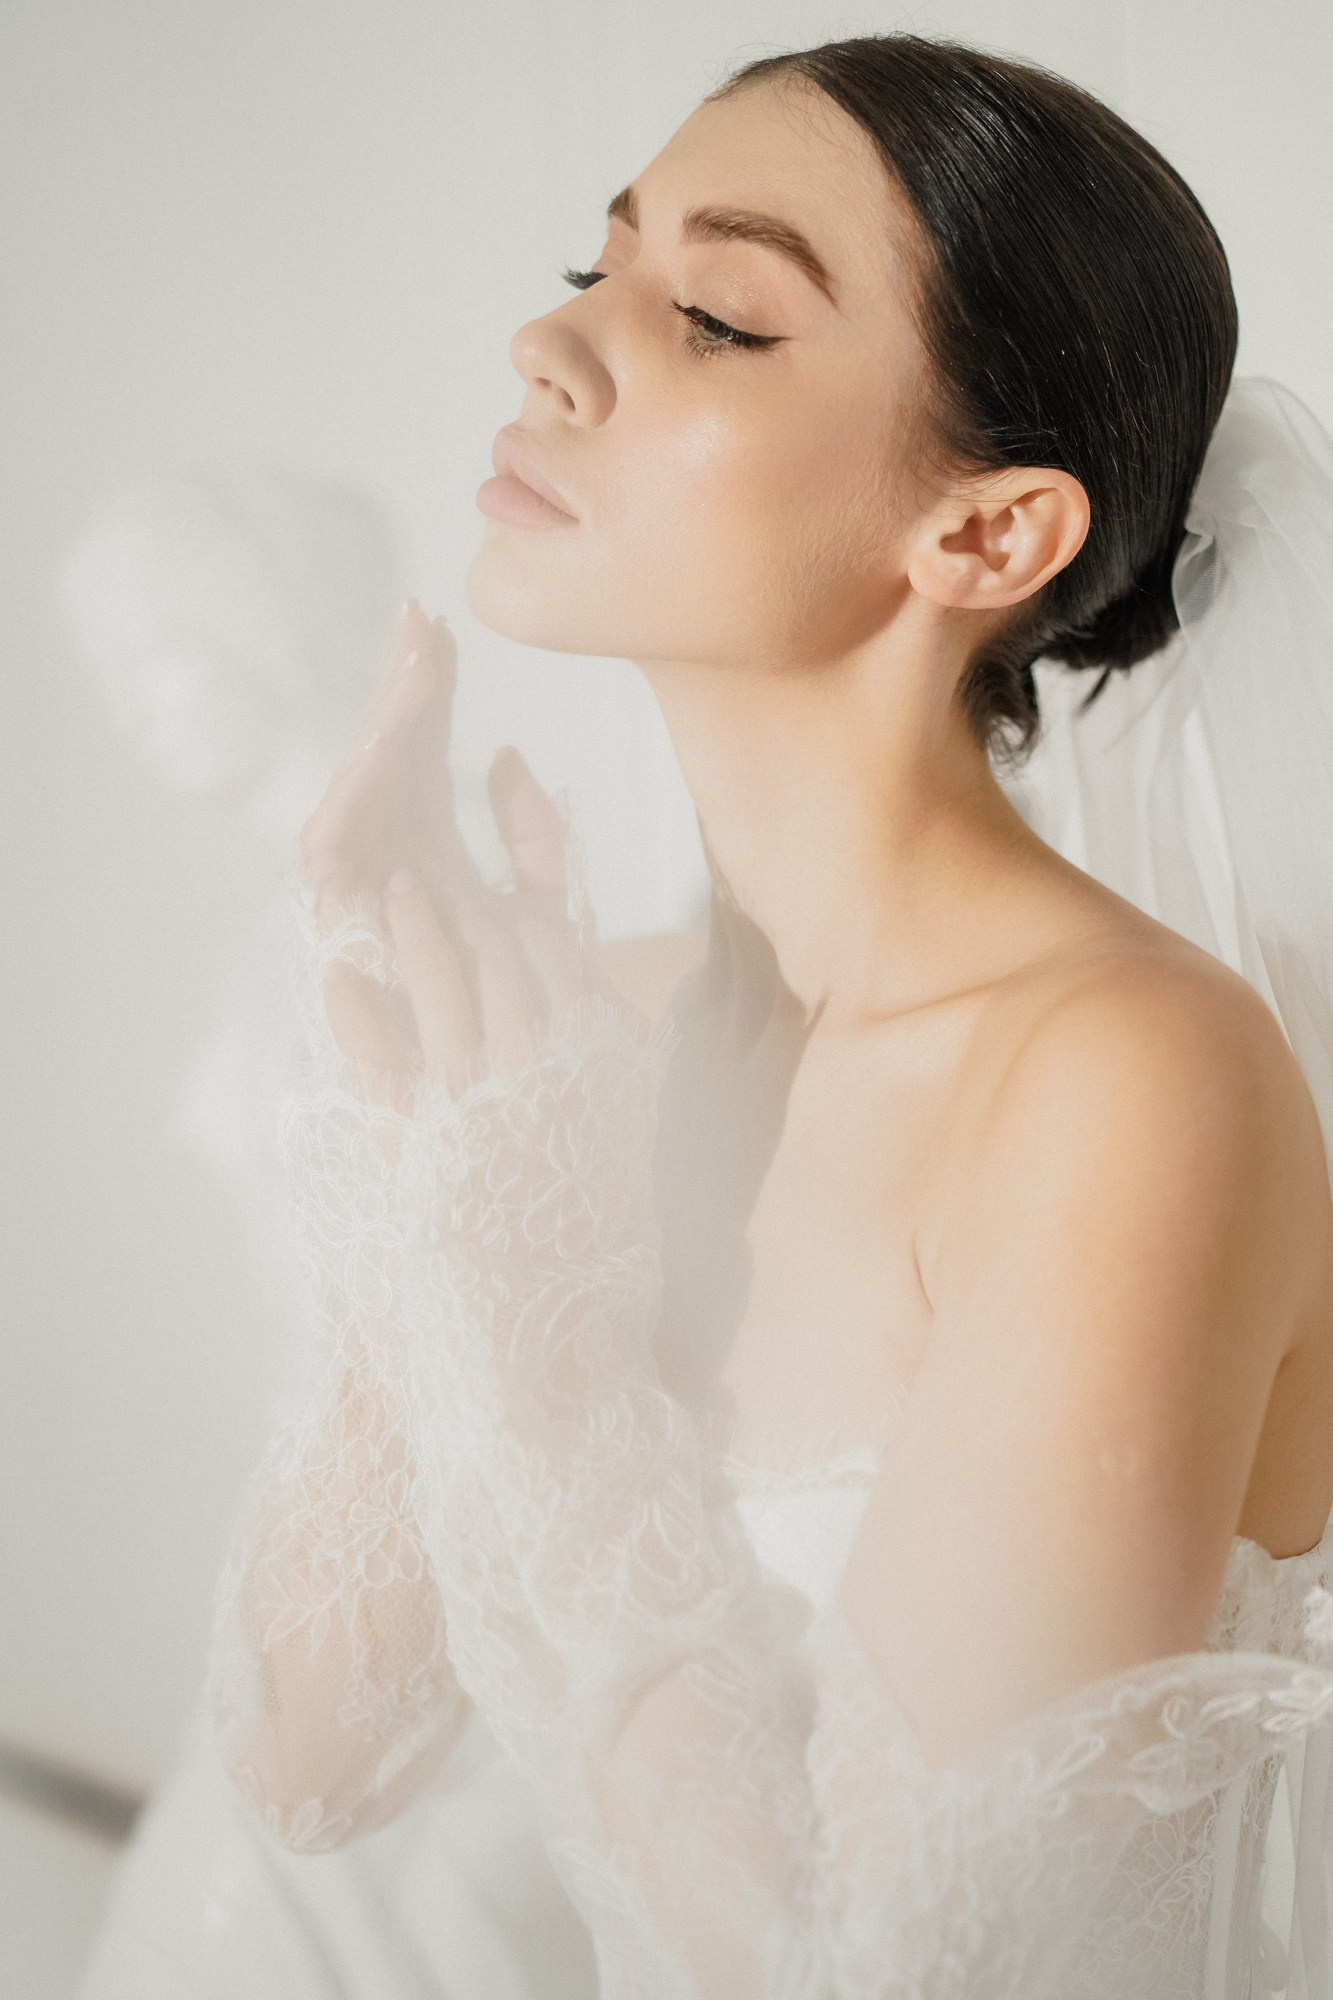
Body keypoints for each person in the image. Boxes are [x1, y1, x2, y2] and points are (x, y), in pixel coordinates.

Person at [190, 31, 1333, 2000]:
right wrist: (432, 1174)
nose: (550, 347)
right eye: (594, 265)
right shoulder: (579, 1041)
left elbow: (884, 1976)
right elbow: (311, 1764)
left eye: (716, 315)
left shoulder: (1127, 1083)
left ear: (985, 534)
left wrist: (541, 1348)